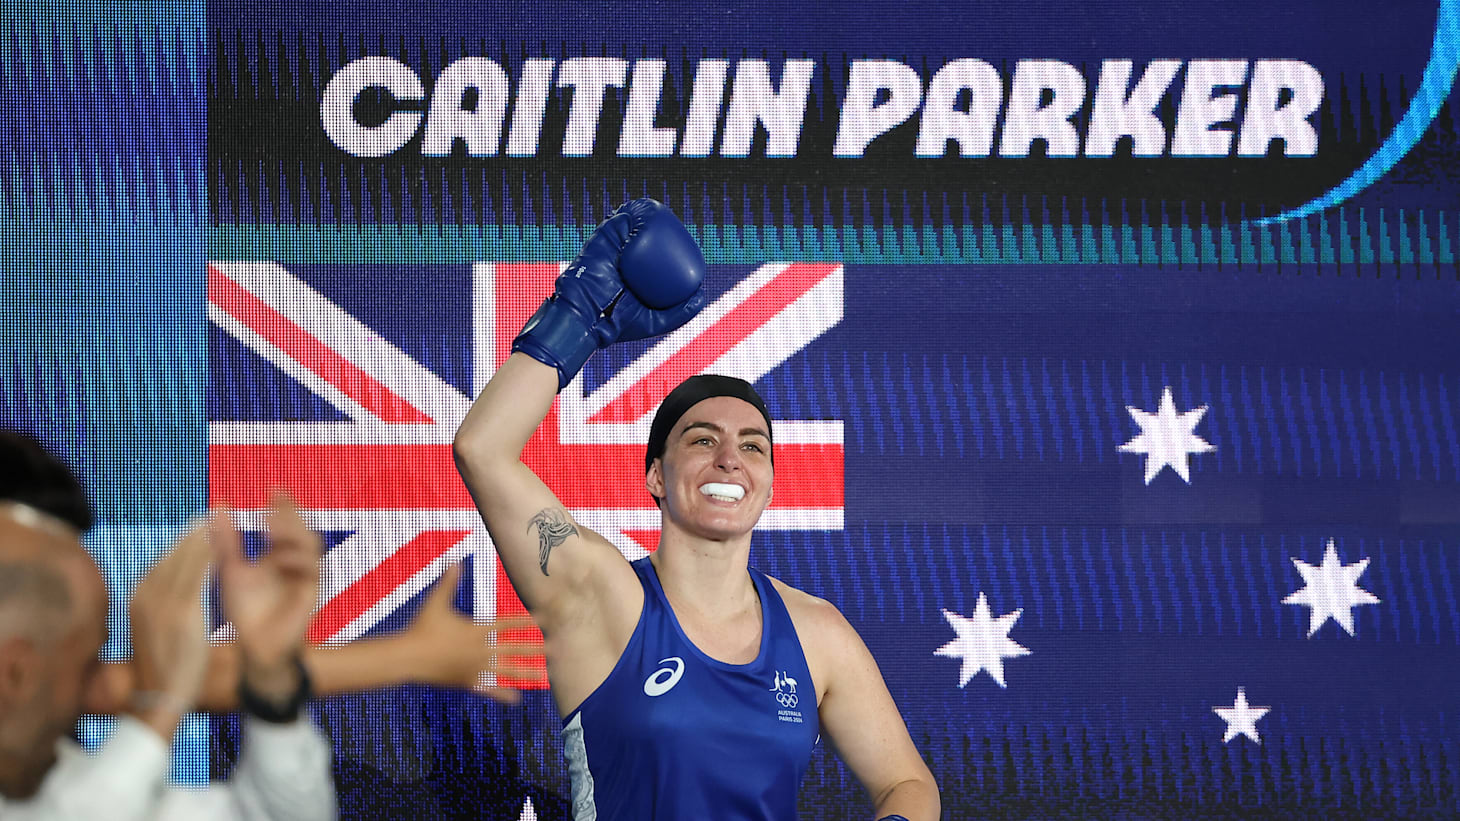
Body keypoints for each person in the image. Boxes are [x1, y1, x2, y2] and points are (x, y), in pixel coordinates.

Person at [453, 199, 940, 819]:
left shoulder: (817, 632)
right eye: (703, 441)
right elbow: (483, 449)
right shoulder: (598, 593)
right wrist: (579, 315)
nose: (730, 459)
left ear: (769, 485)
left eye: (753, 446)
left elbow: (908, 783)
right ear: (656, 475)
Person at [0, 429, 335, 819]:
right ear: (15, 672)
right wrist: (158, 709)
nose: (109, 686)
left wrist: (272, 690)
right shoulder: (104, 787)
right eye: (91, 663)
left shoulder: (68, 780)